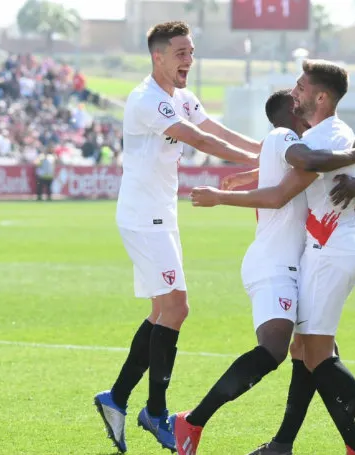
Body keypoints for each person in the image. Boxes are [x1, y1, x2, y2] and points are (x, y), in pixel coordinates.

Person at [94, 20, 270, 453]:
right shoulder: (147, 99)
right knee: (177, 308)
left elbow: (218, 130)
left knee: (162, 311)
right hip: (144, 218)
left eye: (191, 52)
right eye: (180, 53)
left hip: (159, 216)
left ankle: (116, 397)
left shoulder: (182, 98)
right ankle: (155, 412)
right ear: (157, 57)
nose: (189, 60)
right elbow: (200, 139)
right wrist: (266, 159)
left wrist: (268, 151)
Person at [168, 89, 355, 455]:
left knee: (315, 356)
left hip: (294, 265)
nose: (306, 106)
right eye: (300, 101)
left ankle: (346, 447)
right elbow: (295, 177)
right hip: (274, 263)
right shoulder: (284, 137)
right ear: (293, 112)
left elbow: (297, 172)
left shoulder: (290, 148)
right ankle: (192, 421)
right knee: (275, 350)